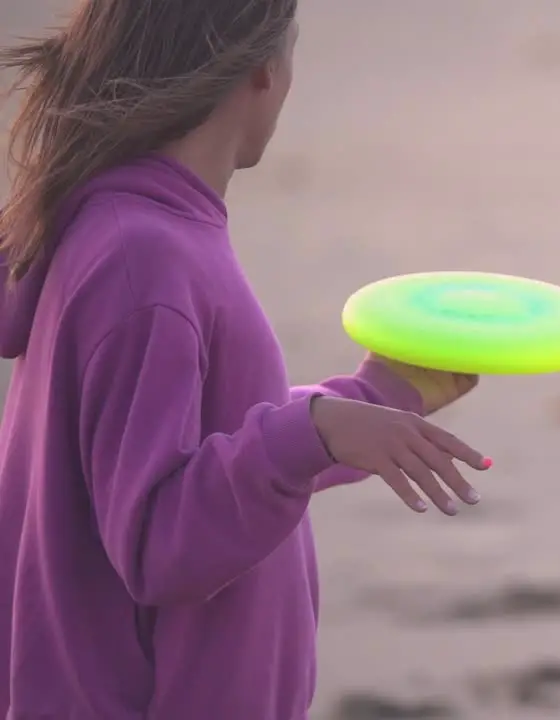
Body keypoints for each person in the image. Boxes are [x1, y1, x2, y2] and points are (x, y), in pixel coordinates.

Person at [0, 0, 491, 716]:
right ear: (263, 69)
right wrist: (313, 431)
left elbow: (203, 441)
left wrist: (371, 398)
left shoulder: (138, 231)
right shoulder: (145, 262)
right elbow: (158, 539)